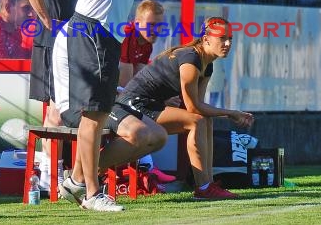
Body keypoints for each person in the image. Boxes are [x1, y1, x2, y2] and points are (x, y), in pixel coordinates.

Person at [52, 0, 239, 212]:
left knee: (99, 116)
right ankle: (91, 193)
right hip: (92, 31)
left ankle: (80, 182)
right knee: (93, 116)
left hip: (104, 35)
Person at [62, 17, 253, 200]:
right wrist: (231, 113)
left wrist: (227, 113)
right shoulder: (191, 58)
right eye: (222, 38)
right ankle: (203, 187)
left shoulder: (207, 65)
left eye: (230, 39)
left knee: (204, 120)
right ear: (206, 39)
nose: (227, 43)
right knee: (198, 121)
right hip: (131, 104)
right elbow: (194, 107)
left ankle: (207, 185)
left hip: (150, 106)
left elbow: (197, 106)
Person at [22, 0, 102, 191]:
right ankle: (48, 175)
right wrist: (47, 21)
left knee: (69, 106)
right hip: (55, 42)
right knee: (55, 107)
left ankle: (56, 173)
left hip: (75, 41)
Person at [116, 0, 175, 184]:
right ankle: (146, 167)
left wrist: (163, 98)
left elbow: (143, 81)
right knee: (138, 108)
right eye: (151, 25)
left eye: (159, 25)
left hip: (122, 94)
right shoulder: (127, 35)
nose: (155, 30)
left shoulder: (146, 42)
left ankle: (146, 167)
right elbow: (126, 86)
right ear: (136, 22)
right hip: (109, 96)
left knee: (147, 106)